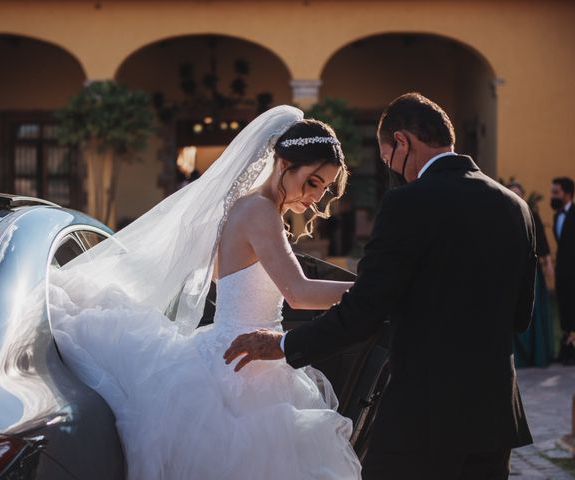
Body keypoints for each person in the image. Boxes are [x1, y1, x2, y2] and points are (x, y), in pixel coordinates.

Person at [225, 93, 535, 480]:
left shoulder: (407, 203)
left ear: (401, 142)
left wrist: (284, 344)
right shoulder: (515, 207)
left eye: (388, 158)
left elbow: (366, 310)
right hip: (494, 415)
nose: (395, 171)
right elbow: (520, 316)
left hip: (423, 414)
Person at [50, 106, 362, 479]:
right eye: (312, 182)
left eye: (324, 188)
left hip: (241, 357)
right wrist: (373, 290)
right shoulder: (260, 211)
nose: (315, 197)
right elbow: (298, 292)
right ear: (283, 164)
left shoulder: (246, 207)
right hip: (241, 368)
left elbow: (234, 281)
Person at [507, 180, 554, 367]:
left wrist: (548, 264)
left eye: (518, 193)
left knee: (531, 311)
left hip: (530, 272)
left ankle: (537, 355)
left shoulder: (531, 214)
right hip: (509, 272)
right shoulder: (502, 213)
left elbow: (541, 241)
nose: (515, 196)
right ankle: (515, 357)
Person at [551, 176, 575, 365]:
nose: (553, 195)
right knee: (564, 309)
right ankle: (566, 346)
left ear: (567, 194)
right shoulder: (557, 215)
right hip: (562, 273)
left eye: (556, 192)